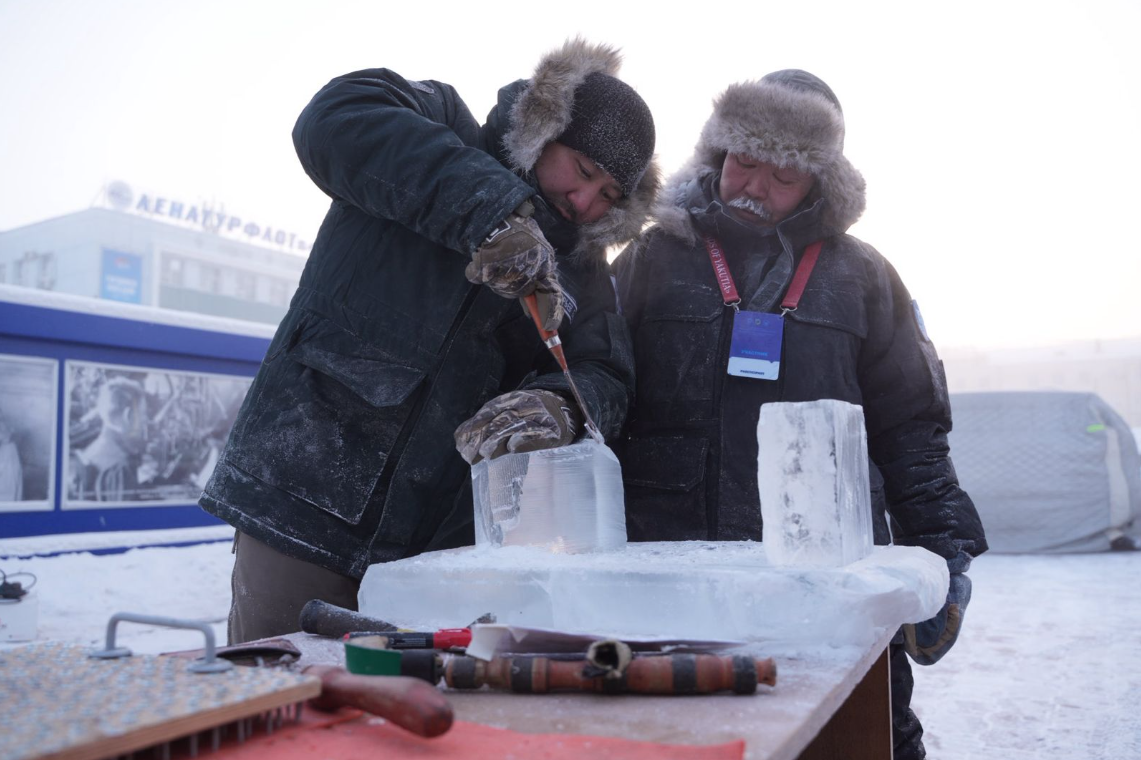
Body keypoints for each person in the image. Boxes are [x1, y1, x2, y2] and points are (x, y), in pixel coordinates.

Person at [200, 39, 659, 644]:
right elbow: (332, 118)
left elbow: (604, 371)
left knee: (410, 701)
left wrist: (559, 405)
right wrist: (490, 212)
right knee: (280, 687)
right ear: (546, 130)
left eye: (608, 196)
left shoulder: (581, 266)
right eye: (584, 171)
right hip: (301, 495)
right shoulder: (440, 121)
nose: (584, 202)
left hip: (435, 549)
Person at [612, 70, 987, 760]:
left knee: (865, 736)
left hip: (829, 579)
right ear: (718, 152)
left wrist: (945, 551)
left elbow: (911, 426)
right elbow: (599, 390)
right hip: (673, 571)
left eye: (782, 175)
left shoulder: (863, 276)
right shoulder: (651, 257)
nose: (754, 186)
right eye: (743, 162)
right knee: (677, 741)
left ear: (819, 180)